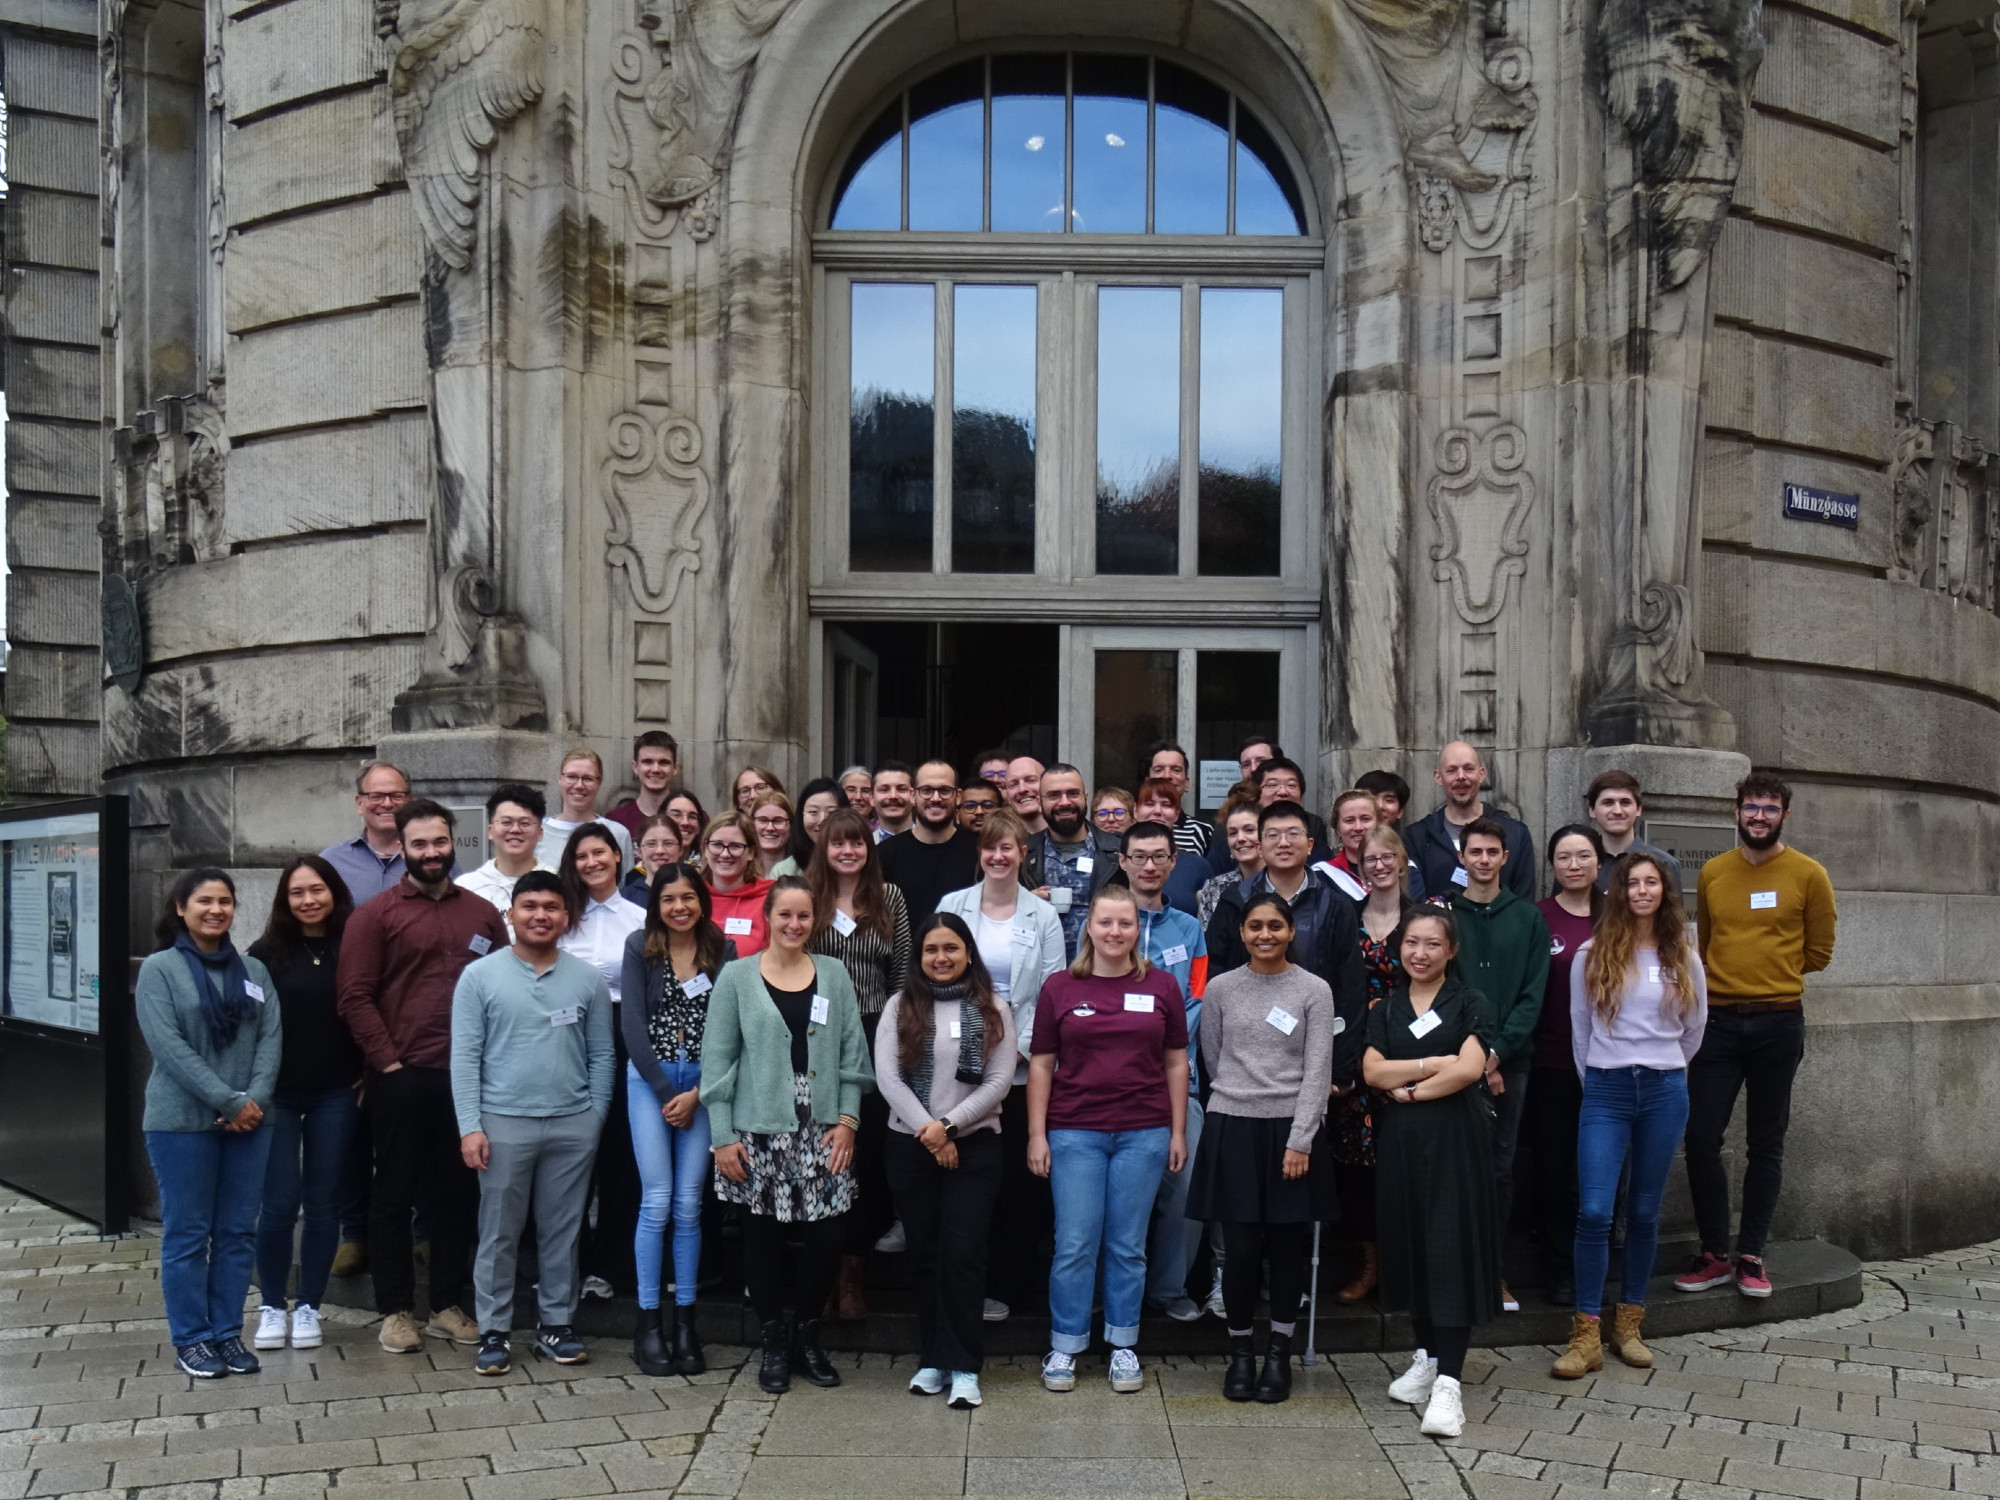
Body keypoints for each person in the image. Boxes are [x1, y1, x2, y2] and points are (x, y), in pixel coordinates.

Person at [337, 798, 510, 1354]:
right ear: (403, 847)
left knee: (457, 1195)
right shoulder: (375, 916)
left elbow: (504, 987)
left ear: (453, 842)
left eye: (440, 842)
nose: (431, 852)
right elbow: (354, 996)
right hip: (403, 1076)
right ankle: (394, 1311)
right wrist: (387, 1062)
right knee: (394, 1194)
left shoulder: (482, 913)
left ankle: (446, 1306)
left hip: (468, 1080)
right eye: (419, 844)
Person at [702, 877, 872, 1394]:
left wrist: (847, 1121)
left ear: (814, 920)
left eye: (803, 916)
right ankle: (773, 1343)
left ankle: (807, 1339)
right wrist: (722, 1136)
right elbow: (718, 1061)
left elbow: (852, 1054)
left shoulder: (835, 974)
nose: (794, 924)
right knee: (762, 1237)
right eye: (785, 915)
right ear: (768, 918)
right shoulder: (736, 976)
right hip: (757, 1126)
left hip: (824, 1126)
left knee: (827, 1235)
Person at [1675, 772, 1836, 1299]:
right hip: (1718, 1023)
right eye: (1751, 807)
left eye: (1769, 808)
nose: (1759, 816)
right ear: (1736, 812)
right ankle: (1714, 1253)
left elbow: (1819, 951)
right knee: (1701, 1137)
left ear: (1784, 815)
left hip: (1778, 1022)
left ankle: (1751, 1254)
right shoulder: (1715, 872)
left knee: (1766, 1142)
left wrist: (1770, 976)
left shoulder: (1809, 874)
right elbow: (1707, 942)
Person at [451, 871, 615, 1376]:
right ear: (511, 914)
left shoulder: (586, 979)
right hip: (502, 1124)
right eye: (529, 906)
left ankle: (557, 1325)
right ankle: (494, 1329)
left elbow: (602, 1054)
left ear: (566, 917)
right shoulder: (480, 977)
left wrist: (594, 1117)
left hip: (572, 1124)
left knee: (562, 1231)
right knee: (499, 1232)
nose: (540, 915)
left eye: (550, 907)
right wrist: (470, 1126)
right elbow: (465, 1057)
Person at [1028, 886, 1189, 1396]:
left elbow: (1176, 1062)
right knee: (1075, 1243)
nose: (1115, 932)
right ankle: (1066, 1344)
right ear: (1089, 928)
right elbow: (1041, 1064)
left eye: (1125, 923)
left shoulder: (1162, 986)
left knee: (1127, 1245)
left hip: (1144, 1131)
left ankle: (1123, 1343)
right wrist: (1037, 1134)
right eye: (1105, 923)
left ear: (1137, 930)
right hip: (1075, 1131)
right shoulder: (1059, 987)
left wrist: (1178, 1130)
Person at [1553, 852, 1707, 1379]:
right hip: (1606, 1089)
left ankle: (1630, 1324)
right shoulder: (1591, 954)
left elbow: (1694, 1028)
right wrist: (1602, 1077)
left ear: (1665, 892)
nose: (1642, 891)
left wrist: (1662, 1066)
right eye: (1633, 883)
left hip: (1664, 1090)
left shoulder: (1682, 955)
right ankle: (1586, 1333)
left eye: (1652, 883)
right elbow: (1580, 1028)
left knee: (1643, 1211)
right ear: (1619, 892)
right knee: (1595, 1210)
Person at [1187, 892, 1338, 1403]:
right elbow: (1213, 1056)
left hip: (1291, 1129)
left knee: (1287, 1246)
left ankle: (1279, 1353)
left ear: (1291, 931)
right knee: (1241, 1249)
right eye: (1255, 926)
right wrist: (1238, 1096)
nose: (1265, 935)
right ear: (1242, 932)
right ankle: (1241, 1353)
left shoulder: (1314, 990)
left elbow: (1318, 1070)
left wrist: (1301, 1138)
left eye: (1275, 925)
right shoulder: (1221, 988)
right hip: (1233, 1125)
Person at [139, 869, 283, 1379]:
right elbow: (169, 1047)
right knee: (187, 1234)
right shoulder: (159, 970)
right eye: (204, 901)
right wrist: (227, 1099)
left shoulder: (254, 971)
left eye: (224, 901)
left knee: (238, 1231)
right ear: (181, 908)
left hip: (251, 1122)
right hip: (180, 1121)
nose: (215, 910)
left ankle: (226, 1332)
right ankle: (192, 1339)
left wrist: (253, 1100)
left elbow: (270, 1039)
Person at [1365, 908, 1501, 1440]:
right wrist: (1431, 1064)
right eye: (1411, 943)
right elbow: (1372, 1071)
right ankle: (1426, 1357)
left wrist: (1411, 1091)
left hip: (1454, 1140)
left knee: (1449, 1248)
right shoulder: (1386, 1007)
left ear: (1452, 950)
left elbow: (1469, 1069)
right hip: (1401, 1143)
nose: (1419, 954)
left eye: (1432, 944)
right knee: (1412, 1244)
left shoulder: (1471, 1002)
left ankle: (1450, 1382)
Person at [876, 914, 1016, 1410]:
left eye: (951, 948)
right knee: (925, 1253)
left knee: (963, 1253)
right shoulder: (900, 1005)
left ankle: (964, 1366)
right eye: (931, 949)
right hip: (911, 1143)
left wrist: (949, 1127)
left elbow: (999, 1081)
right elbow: (888, 1078)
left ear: (968, 953)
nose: (941, 958)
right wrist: (932, 1134)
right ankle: (932, 1359)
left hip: (974, 1146)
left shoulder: (994, 1007)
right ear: (919, 957)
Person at [935, 810, 1066, 1323]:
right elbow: (937, 975)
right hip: (959, 1058)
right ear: (980, 853)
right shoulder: (953, 906)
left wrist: (1016, 1047)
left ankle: (1009, 1286)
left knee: (1016, 1181)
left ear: (1023, 854)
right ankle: (966, 1283)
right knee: (967, 1176)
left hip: (1022, 1067)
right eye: (989, 847)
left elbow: (1052, 991)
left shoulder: (1043, 915)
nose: (998, 856)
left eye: (1007, 847)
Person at [622, 862, 736, 1377]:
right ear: (656, 905)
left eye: (688, 897)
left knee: (690, 1204)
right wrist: (670, 1093)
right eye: (668, 899)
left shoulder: (721, 949)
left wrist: (697, 1093)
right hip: (652, 1082)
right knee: (658, 1200)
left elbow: (728, 1028)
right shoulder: (639, 946)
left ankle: (686, 1323)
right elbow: (632, 1026)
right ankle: (648, 1324)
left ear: (702, 901)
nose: (679, 907)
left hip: (705, 1086)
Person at [250, 856, 362, 1354]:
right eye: (297, 892)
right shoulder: (263, 954)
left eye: (317, 889)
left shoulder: (354, 946)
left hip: (336, 1091)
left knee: (323, 1203)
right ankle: (273, 1304)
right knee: (277, 1203)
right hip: (277, 1094)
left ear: (334, 892)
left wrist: (368, 1071)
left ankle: (310, 1305)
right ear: (284, 900)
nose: (309, 900)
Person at [805, 807, 914, 1316]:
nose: (848, 851)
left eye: (856, 843)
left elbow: (902, 973)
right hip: (817, 1032)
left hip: (875, 1029)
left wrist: (895, 1036)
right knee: (820, 1147)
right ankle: (822, 1269)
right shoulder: (808, 897)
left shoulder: (889, 898)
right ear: (824, 849)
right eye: (838, 843)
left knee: (865, 1150)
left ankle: (853, 1271)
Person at [1449, 816, 1551, 1312]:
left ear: (1505, 858)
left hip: (1511, 1065)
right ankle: (1453, 1270)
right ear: (1461, 857)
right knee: (1454, 1166)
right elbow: (1442, 988)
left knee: (1499, 1168)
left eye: (1492, 852)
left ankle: (1492, 1270)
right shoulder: (1446, 916)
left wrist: (1497, 1052)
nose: (1484, 860)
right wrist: (1471, 1054)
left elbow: (1533, 996)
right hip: (1454, 1062)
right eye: (1476, 852)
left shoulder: (1528, 918)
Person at [1118, 822, 1211, 1323]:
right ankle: (1110, 1290)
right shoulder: (1107, 922)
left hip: (1179, 1080)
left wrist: (1164, 1041)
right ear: (1123, 862)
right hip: (1114, 1081)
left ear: (1174, 862)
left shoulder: (1190, 930)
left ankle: (1169, 1288)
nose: (1149, 865)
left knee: (1185, 1189)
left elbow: (1196, 997)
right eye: (1139, 856)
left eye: (1159, 856)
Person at [1206, 804, 1369, 1086]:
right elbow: (1215, 972)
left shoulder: (1334, 905)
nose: (1283, 843)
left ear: (1310, 845)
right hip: (1244, 1052)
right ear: (1260, 847)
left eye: (1293, 834)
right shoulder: (1236, 901)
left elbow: (1351, 987)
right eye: (1273, 835)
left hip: (1313, 1049)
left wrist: (1339, 1068)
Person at [1334, 823, 1429, 1305]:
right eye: (1370, 858)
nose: (1379, 864)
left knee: (1408, 1162)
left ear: (1402, 860)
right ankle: (1367, 1264)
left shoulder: (1422, 919)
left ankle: (1405, 1266)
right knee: (1358, 1166)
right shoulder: (1345, 917)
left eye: (1387, 856)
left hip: (1410, 1050)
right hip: (1356, 1053)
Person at [555, 823, 648, 1299]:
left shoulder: (639, 917)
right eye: (581, 855)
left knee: (618, 1153)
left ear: (617, 855)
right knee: (569, 1155)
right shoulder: (560, 915)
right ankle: (563, 1263)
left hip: (621, 1034)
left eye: (600, 853)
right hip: (563, 1036)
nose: (591, 862)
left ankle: (609, 1266)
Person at [1529, 824, 1604, 1306]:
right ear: (1552, 865)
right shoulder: (1539, 917)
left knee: (1598, 1172)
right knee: (1555, 1170)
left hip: (1608, 1065)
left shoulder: (1618, 916)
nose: (1573, 865)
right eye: (1563, 857)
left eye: (1583, 856)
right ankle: (1558, 1268)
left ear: (1599, 861)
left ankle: (1596, 1264)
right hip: (1552, 1063)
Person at [1403, 742, 1535, 901]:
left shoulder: (1514, 834)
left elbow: (1524, 902)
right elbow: (1413, 902)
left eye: (1468, 768)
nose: (1461, 776)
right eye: (1451, 770)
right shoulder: (1417, 837)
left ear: (1481, 774)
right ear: (1438, 777)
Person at [1024, 763, 1120, 957]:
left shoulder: (1117, 852)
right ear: (1040, 802)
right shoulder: (1022, 854)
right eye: (1054, 795)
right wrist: (1023, 903)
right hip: (1041, 965)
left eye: (1073, 793)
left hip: (1102, 965)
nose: (1064, 802)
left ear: (1085, 797)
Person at [878, 758, 981, 922]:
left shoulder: (979, 852)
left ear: (958, 796)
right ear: (913, 795)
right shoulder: (884, 854)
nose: (935, 798)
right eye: (926, 790)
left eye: (945, 790)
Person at [322, 760, 418, 903]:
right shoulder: (331, 862)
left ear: (409, 801)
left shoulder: (434, 858)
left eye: (397, 796)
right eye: (376, 796)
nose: (387, 804)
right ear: (359, 803)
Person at [458, 784, 554, 917]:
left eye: (525, 823)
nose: (515, 830)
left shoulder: (558, 884)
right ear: (490, 831)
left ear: (540, 832)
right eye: (506, 822)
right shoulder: (466, 887)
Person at [1586, 770, 1683, 894]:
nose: (1617, 811)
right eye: (1608, 803)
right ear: (1592, 811)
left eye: (1625, 802)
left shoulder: (1664, 863)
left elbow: (1672, 907)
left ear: (1638, 809)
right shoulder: (1580, 864)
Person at [539, 748, 636, 871]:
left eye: (587, 779)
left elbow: (625, 881)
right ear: (560, 779)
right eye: (571, 777)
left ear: (599, 782)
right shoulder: (537, 833)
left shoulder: (617, 833)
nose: (579, 785)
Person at [701, 812, 775, 956]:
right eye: (717, 845)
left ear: (751, 853)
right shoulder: (691, 898)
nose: (725, 854)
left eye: (735, 846)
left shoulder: (770, 899)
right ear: (705, 849)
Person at [1197, 792, 1263, 928]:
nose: (1241, 838)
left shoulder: (1280, 882)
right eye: (1233, 833)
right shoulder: (1214, 887)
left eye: (1249, 830)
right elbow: (1205, 937)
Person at [605, 731, 681, 846]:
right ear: (635, 767)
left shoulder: (692, 820)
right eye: (648, 762)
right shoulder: (616, 821)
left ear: (675, 768)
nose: (655, 769)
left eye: (663, 762)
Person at [1144, 742, 1212, 857]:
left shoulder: (1203, 831)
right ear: (1147, 782)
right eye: (1159, 770)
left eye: (1176, 770)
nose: (1167, 776)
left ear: (1186, 783)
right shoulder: (1130, 828)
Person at [1250, 758, 1330, 855]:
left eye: (1291, 785)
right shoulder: (1243, 826)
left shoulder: (1313, 824)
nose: (1283, 792)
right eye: (1272, 785)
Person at [622, 813, 685, 904]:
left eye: (668, 843)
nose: (660, 851)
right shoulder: (626, 899)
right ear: (639, 851)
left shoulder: (694, 893)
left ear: (680, 850)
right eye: (651, 844)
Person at [790, 777, 848, 869]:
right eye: (813, 812)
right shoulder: (785, 870)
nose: (822, 820)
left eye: (831, 813)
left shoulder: (853, 864)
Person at [751, 791, 798, 878]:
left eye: (778, 821)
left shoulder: (804, 872)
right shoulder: (740, 873)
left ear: (791, 826)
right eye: (763, 820)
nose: (770, 828)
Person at [1003, 756, 1048, 836]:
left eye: (1031, 780)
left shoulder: (1068, 835)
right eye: (1013, 784)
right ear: (1008, 796)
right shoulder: (1000, 840)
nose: (1022, 789)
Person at [871, 761, 916, 840]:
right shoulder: (865, 846)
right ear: (872, 798)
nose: (893, 796)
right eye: (884, 790)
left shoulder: (933, 843)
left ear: (914, 796)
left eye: (901, 789)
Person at [665, 790, 709, 858]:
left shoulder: (709, 863)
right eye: (676, 815)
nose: (685, 822)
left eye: (692, 817)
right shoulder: (649, 862)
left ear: (699, 827)